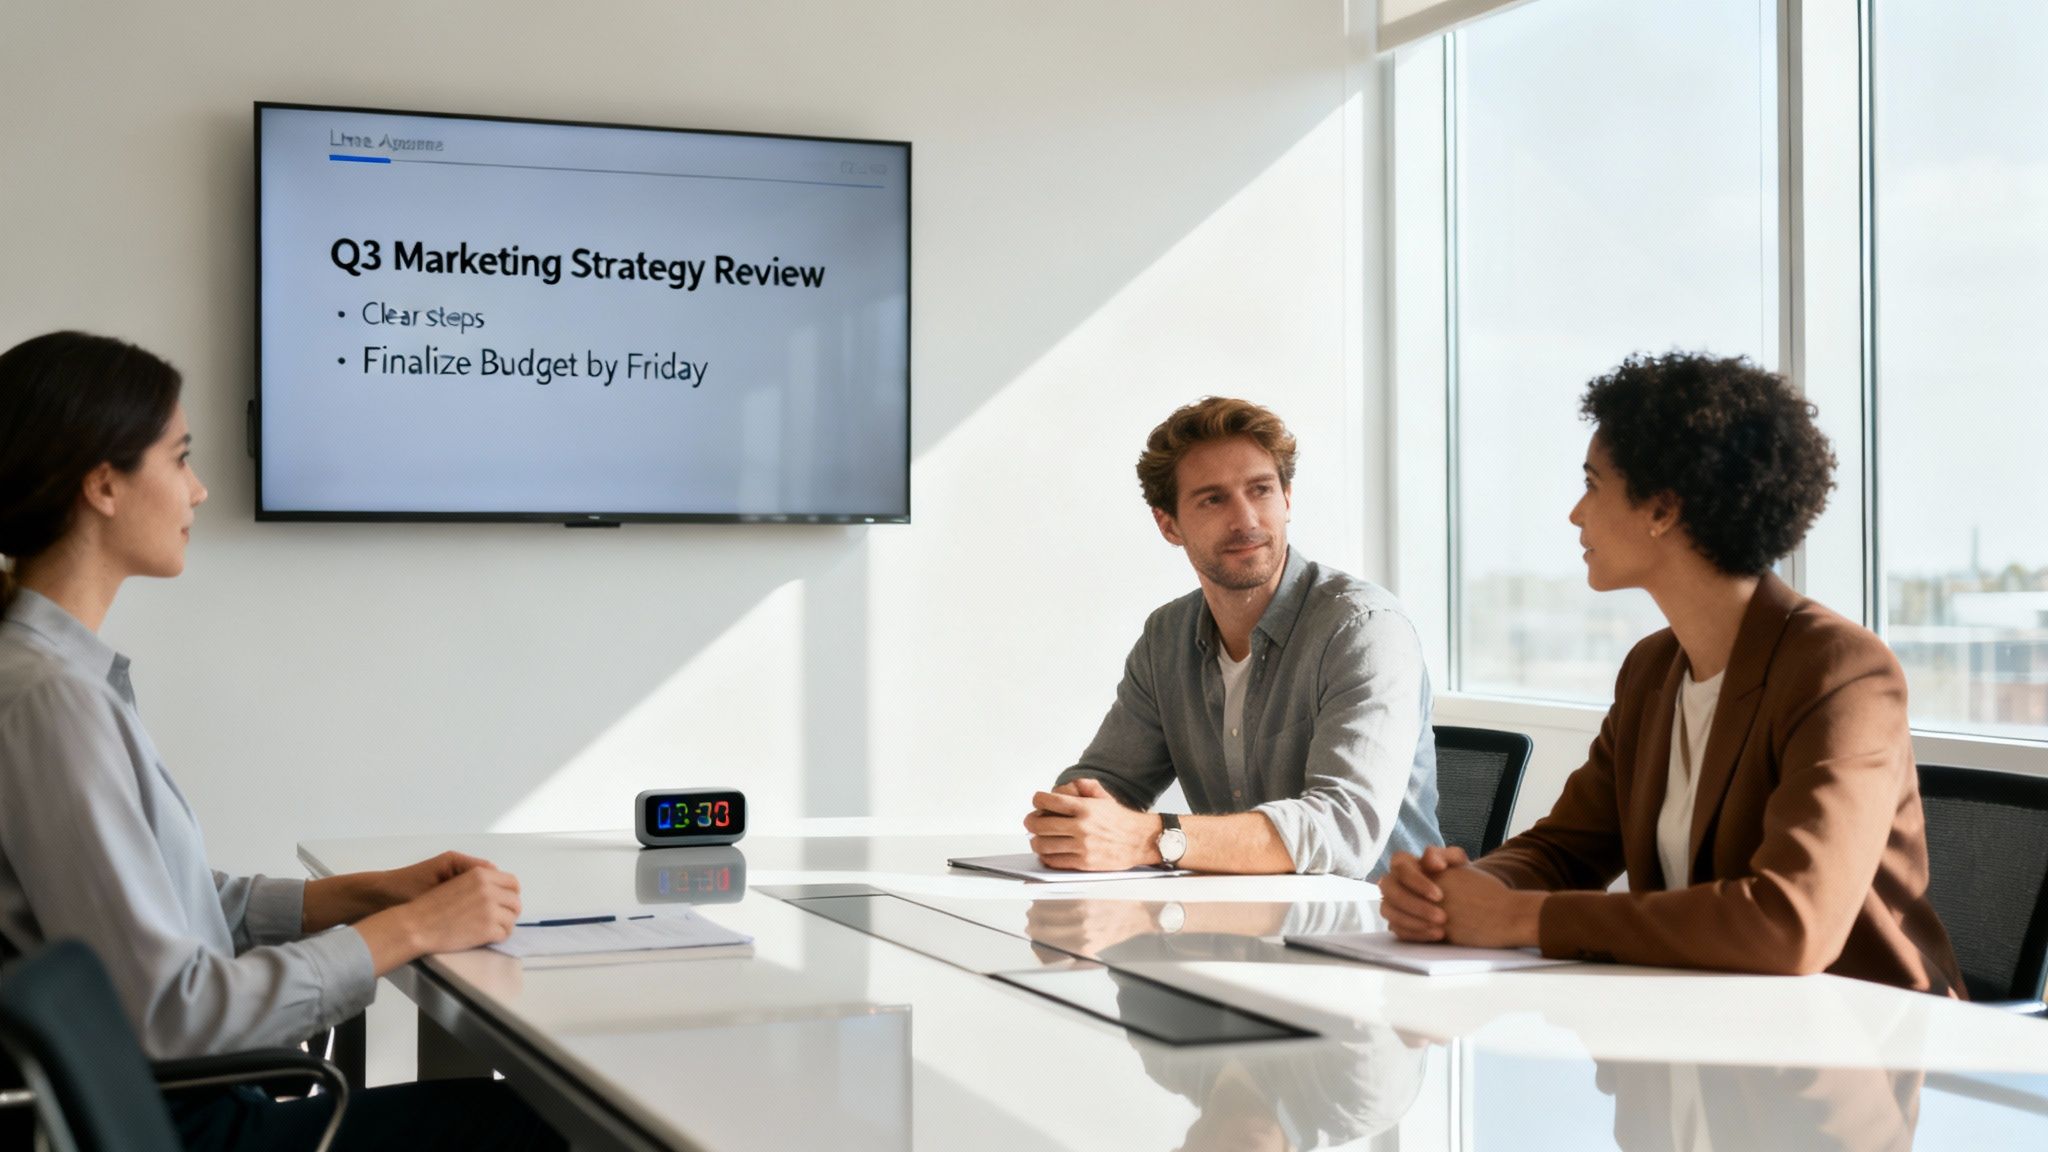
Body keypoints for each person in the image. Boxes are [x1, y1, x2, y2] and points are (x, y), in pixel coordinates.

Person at [0, 331, 565, 1148]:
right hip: (183, 1125)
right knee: (519, 1125)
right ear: (103, 486)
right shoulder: (50, 698)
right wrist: (407, 933)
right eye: (180, 458)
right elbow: (172, 1011)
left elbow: (163, 908)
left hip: (171, 1105)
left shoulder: (55, 677)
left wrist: (366, 896)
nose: (198, 492)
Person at [1377, 352, 1963, 994]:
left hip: (1852, 1054)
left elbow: (1791, 924)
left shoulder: (1840, 671)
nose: (1576, 513)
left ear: (1662, 509)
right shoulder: (1653, 669)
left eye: (1593, 484)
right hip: (1707, 1033)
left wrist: (1523, 916)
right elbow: (1566, 850)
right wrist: (1461, 892)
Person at [1026, 397, 1441, 881]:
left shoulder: (1364, 628)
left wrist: (1149, 837)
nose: (1245, 519)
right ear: (1169, 525)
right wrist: (1076, 816)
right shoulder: (1167, 638)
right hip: (1239, 923)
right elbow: (1108, 782)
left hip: (1373, 928)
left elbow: (1343, 828)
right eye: (1213, 499)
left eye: (1260, 490)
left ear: (1287, 499)